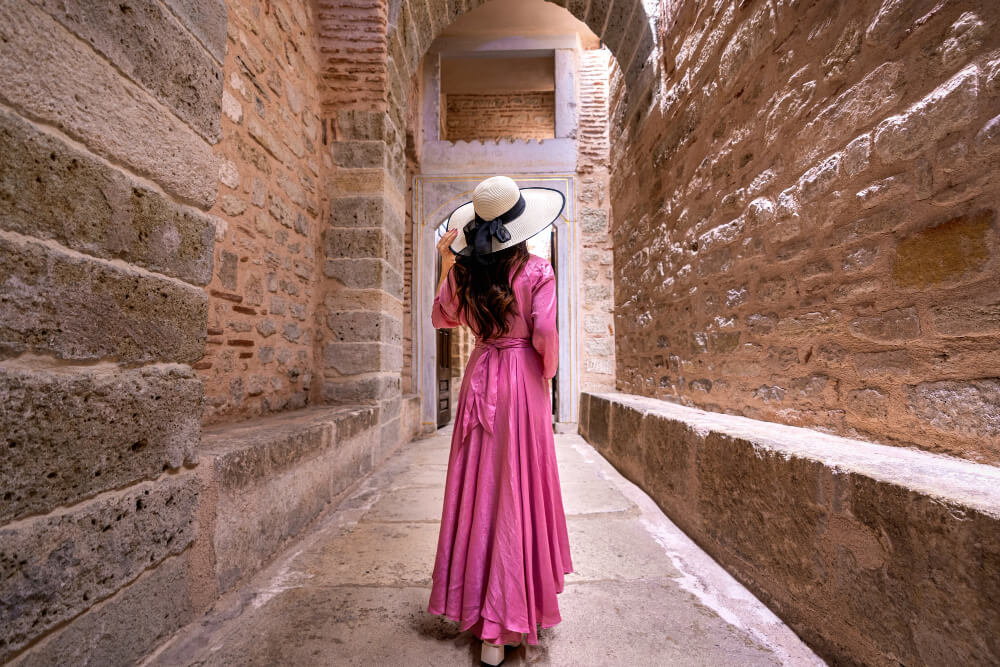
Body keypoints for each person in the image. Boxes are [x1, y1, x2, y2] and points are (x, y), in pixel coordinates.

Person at [426, 176, 574, 665]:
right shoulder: (537, 270)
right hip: (521, 381)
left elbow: (442, 317)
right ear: (520, 224)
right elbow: (545, 332)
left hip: (481, 374)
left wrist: (448, 262)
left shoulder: (465, 274)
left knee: (481, 486)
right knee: (518, 486)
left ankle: (481, 613)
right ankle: (507, 620)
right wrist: (545, 374)